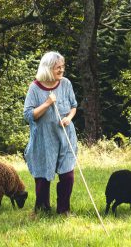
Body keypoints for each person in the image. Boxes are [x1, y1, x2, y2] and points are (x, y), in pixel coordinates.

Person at [23, 51, 78, 216]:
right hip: (43, 139)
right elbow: (28, 115)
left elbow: (74, 106)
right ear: (47, 69)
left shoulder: (66, 83)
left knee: (67, 175)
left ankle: (64, 210)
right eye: (57, 68)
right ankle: (42, 209)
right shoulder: (35, 88)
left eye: (63, 67)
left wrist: (68, 117)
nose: (61, 70)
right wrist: (47, 103)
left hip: (65, 136)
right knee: (43, 177)